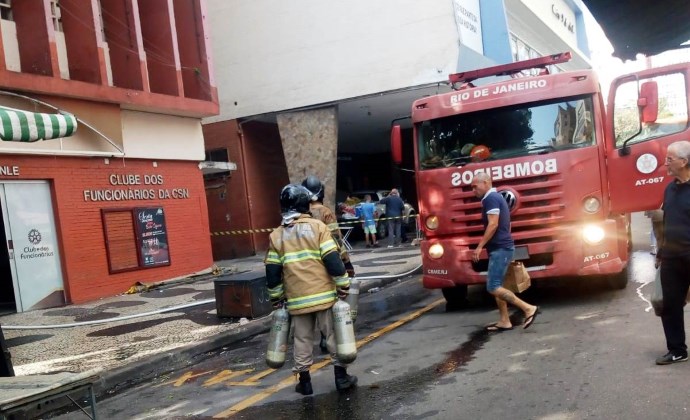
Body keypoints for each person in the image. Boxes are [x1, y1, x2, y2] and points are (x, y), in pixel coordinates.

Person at [265, 184, 358, 394]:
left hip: (297, 300)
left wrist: (276, 298)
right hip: (325, 297)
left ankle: (305, 382)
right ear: (305, 204)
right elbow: (333, 262)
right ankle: (341, 378)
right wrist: (343, 284)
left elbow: (272, 274)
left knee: (302, 339)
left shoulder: (276, 236)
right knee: (334, 337)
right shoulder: (318, 228)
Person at [470, 172, 540, 331]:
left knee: (493, 287)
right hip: (501, 247)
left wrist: (480, 246)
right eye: (472, 187)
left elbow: (493, 224)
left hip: (500, 248)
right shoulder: (495, 198)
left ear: (486, 182)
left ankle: (528, 308)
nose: (473, 190)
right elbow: (506, 225)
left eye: (475, 186)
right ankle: (504, 320)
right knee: (498, 285)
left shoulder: (490, 199)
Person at [302, 176, 356, 353]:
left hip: (306, 266)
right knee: (329, 302)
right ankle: (327, 339)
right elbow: (336, 239)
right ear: (321, 192)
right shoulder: (325, 212)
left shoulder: (300, 213)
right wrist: (346, 262)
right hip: (327, 261)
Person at [654, 140, 690, 365]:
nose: (665, 163)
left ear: (684, 162)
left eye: (669, 159)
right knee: (670, 305)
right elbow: (666, 222)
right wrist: (660, 252)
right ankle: (677, 350)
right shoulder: (670, 188)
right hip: (671, 257)